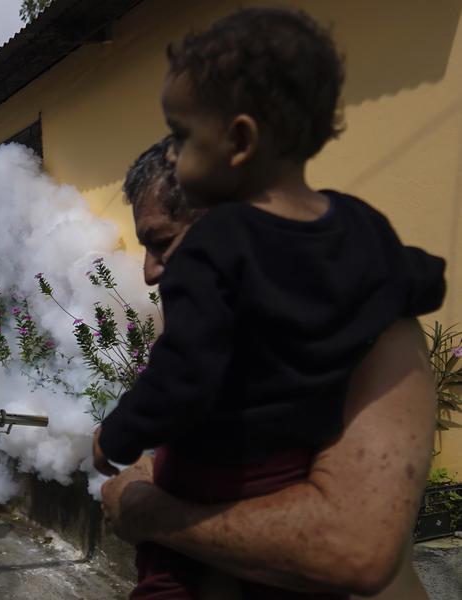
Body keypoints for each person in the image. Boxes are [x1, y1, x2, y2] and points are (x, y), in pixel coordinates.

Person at [93, 9, 446, 598]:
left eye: (162, 243)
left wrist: (139, 491)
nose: (152, 273)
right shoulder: (360, 231)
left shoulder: (378, 337)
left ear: (238, 148)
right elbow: (418, 276)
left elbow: (351, 552)